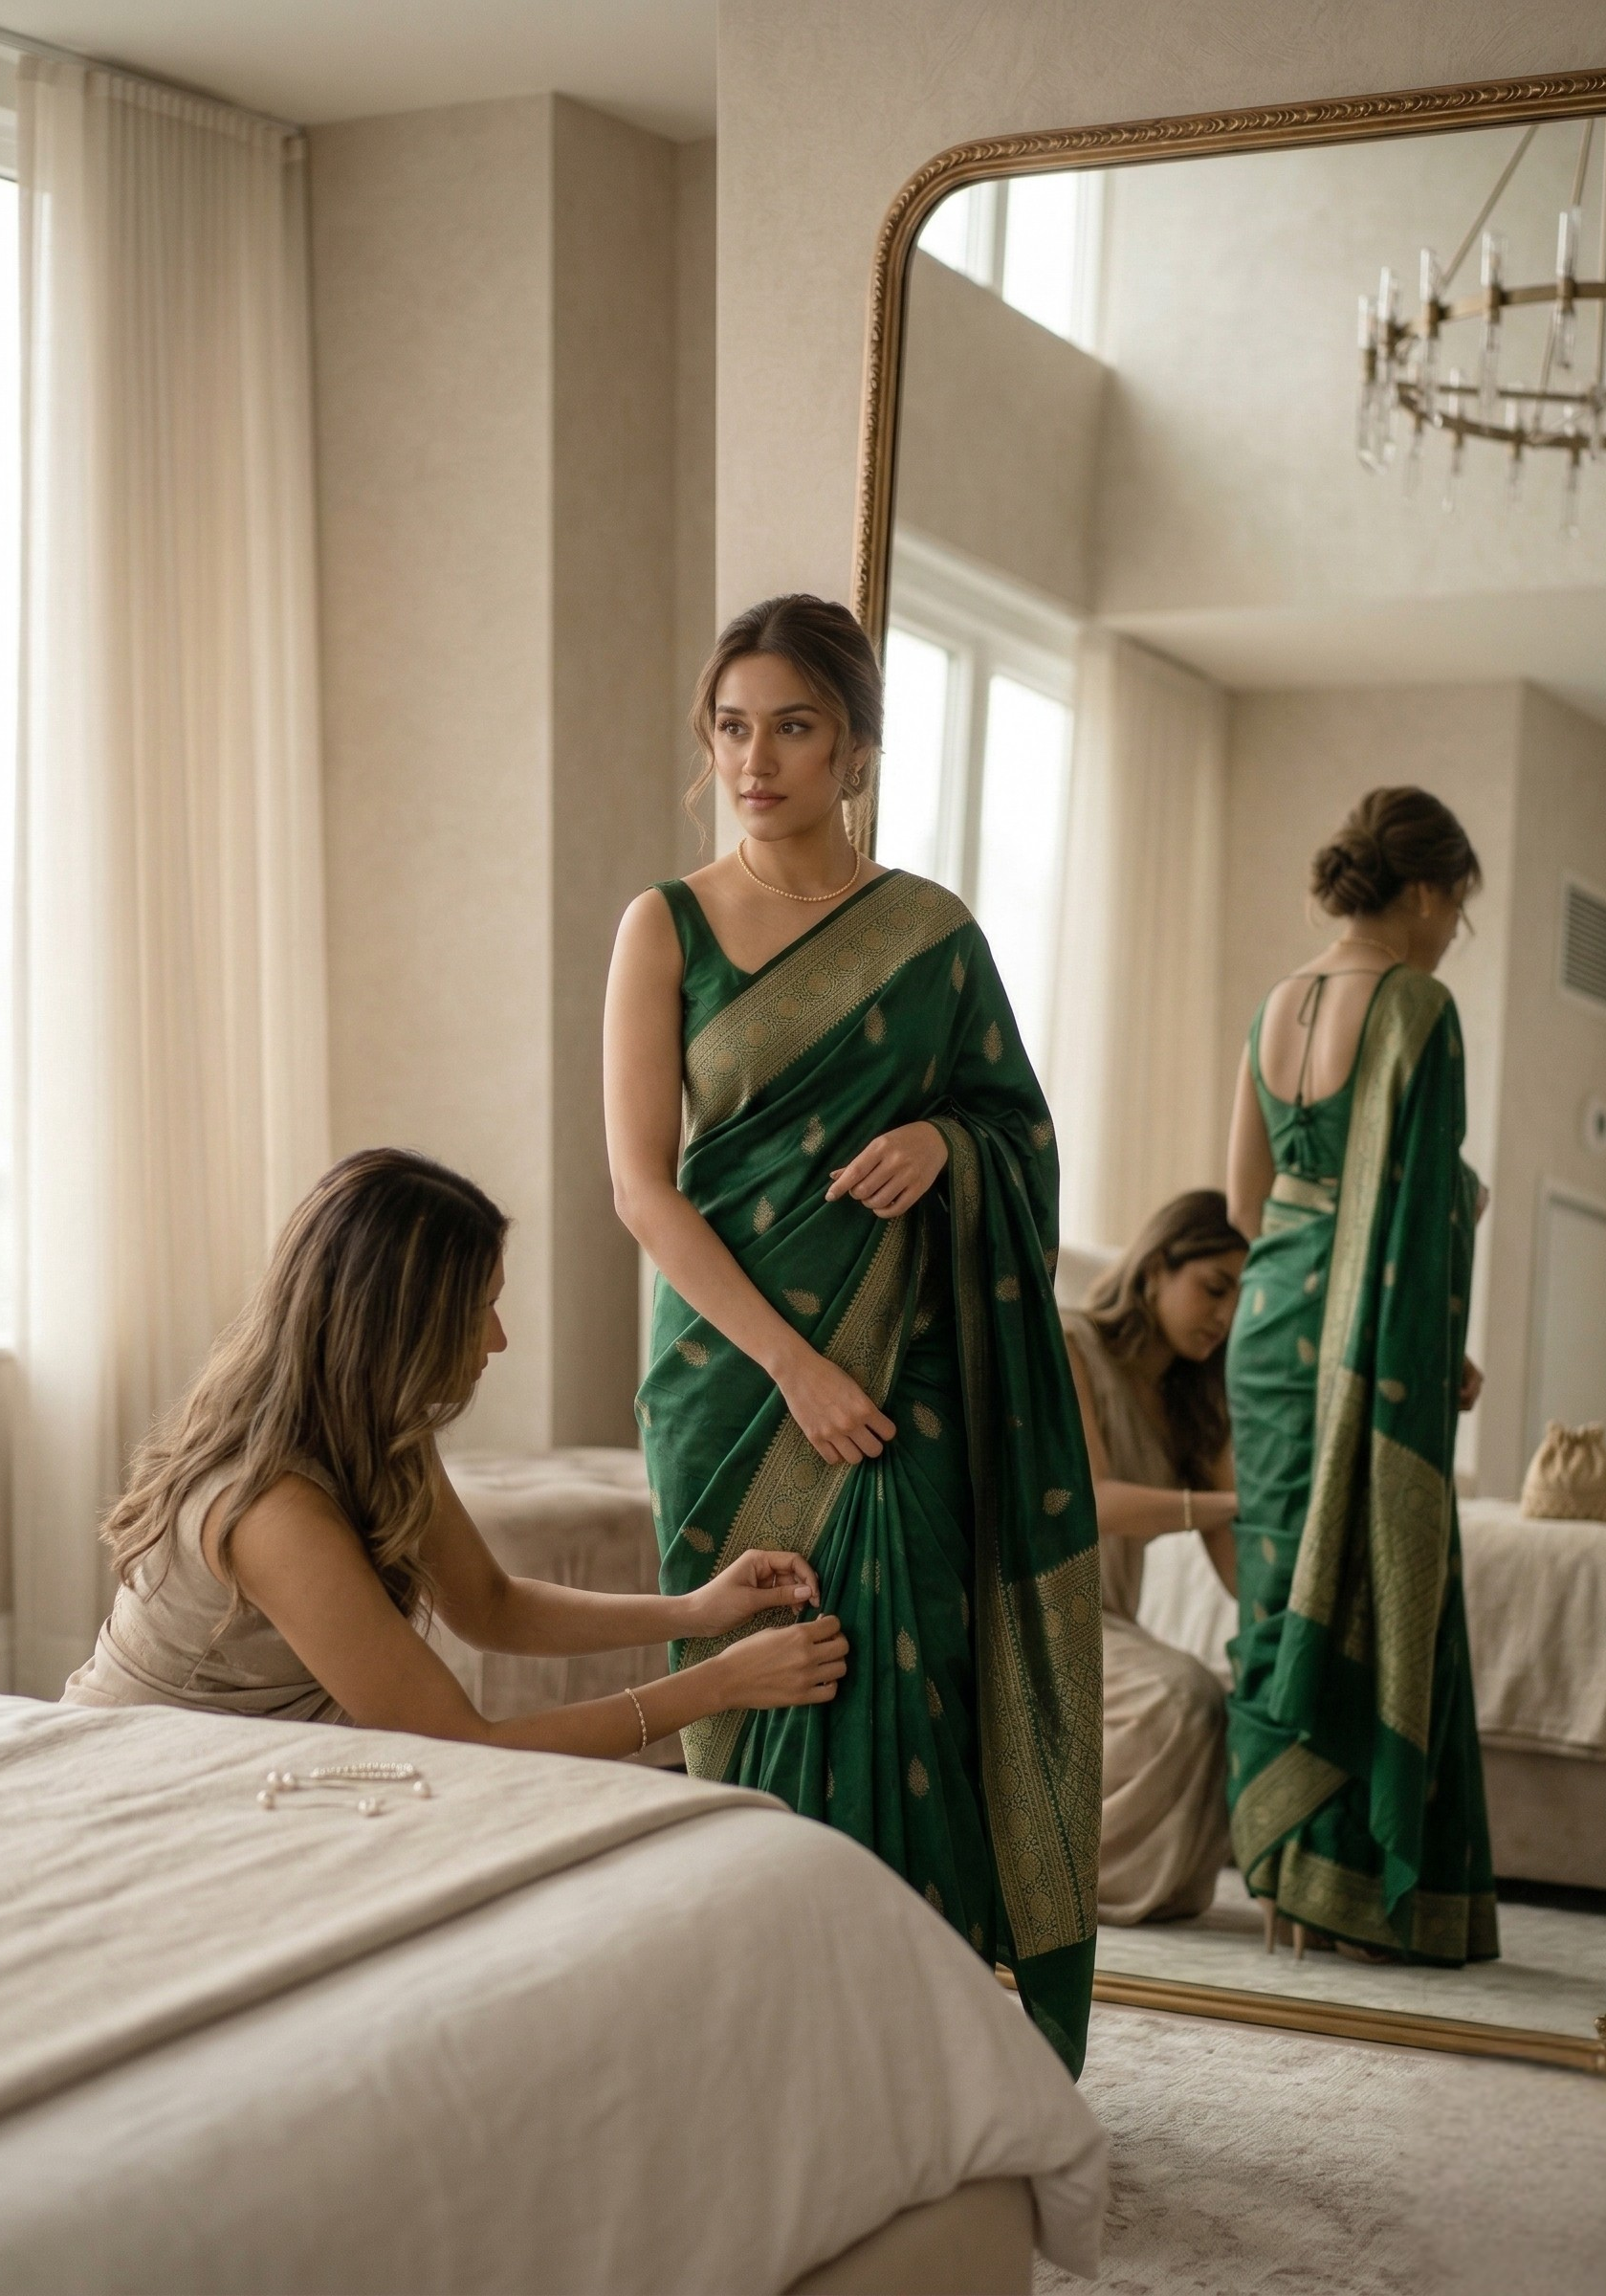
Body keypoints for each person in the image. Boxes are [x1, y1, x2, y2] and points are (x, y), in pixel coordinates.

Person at [604, 594, 1101, 2073]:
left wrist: (949, 1144)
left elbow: (1020, 1133)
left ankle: (912, 2063)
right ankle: (762, 2054)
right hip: (734, 1382)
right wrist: (794, 1365)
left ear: (856, 750)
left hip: (906, 1386)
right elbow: (641, 1188)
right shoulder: (666, 925)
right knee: (752, 1692)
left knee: (907, 1691)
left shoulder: (931, 937)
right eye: (731, 728)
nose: (755, 760)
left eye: (793, 728)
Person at [63, 1148, 846, 1753]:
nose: (498, 1339)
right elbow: (463, 1743)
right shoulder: (273, 1512)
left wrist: (696, 1612)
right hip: (138, 1773)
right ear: (398, 1324)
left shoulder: (377, 1431)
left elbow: (492, 1606)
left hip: (254, 1768)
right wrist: (717, 1686)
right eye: (482, 1308)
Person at [1222, 786, 1498, 1965]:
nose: (1450, 938)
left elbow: (1243, 1203)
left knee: (1278, 1588)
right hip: (1365, 1350)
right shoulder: (1416, 1009)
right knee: (1377, 1583)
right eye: (1456, 914)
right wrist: (1414, 1345)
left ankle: (1284, 1886)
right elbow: (1420, 1215)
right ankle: (1361, 1895)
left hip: (1267, 1332)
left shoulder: (1273, 1005)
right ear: (1425, 892)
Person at [1058, 1192, 1246, 1924]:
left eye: (1240, 1301)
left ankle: (1103, 1879)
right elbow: (1093, 1501)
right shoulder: (1071, 1342)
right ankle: (1042, 1878)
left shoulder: (1195, 1403)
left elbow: (1239, 1566)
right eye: (1214, 1288)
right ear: (1158, 1266)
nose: (1224, 1316)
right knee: (1183, 1696)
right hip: (1040, 1611)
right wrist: (1225, 1505)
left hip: (1108, 1621)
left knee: (1223, 1700)